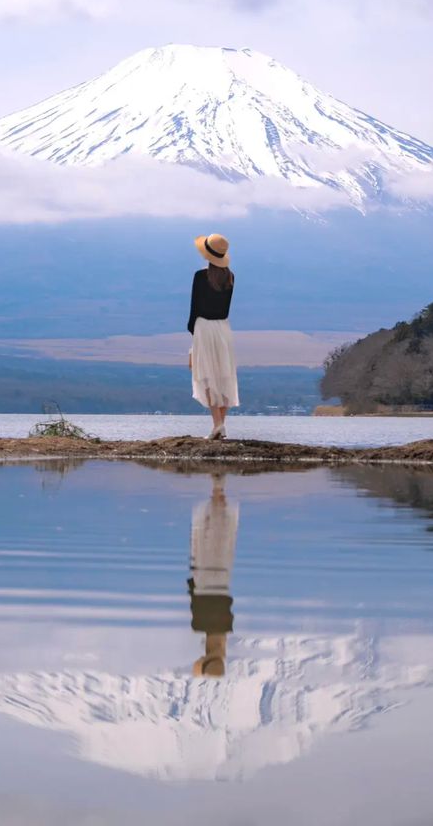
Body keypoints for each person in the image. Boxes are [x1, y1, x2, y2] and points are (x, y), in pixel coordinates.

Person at [187, 233, 239, 440]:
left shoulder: (200, 276)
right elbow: (226, 308)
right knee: (224, 375)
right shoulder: (230, 277)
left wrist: (192, 333)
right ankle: (220, 426)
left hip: (204, 328)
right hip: (223, 329)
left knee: (207, 376)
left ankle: (218, 424)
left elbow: (195, 307)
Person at [188, 472, 239, 678]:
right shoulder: (203, 624)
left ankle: (218, 488)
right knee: (214, 535)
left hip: (217, 580)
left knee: (216, 535)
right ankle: (218, 488)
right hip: (207, 580)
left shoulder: (220, 627)